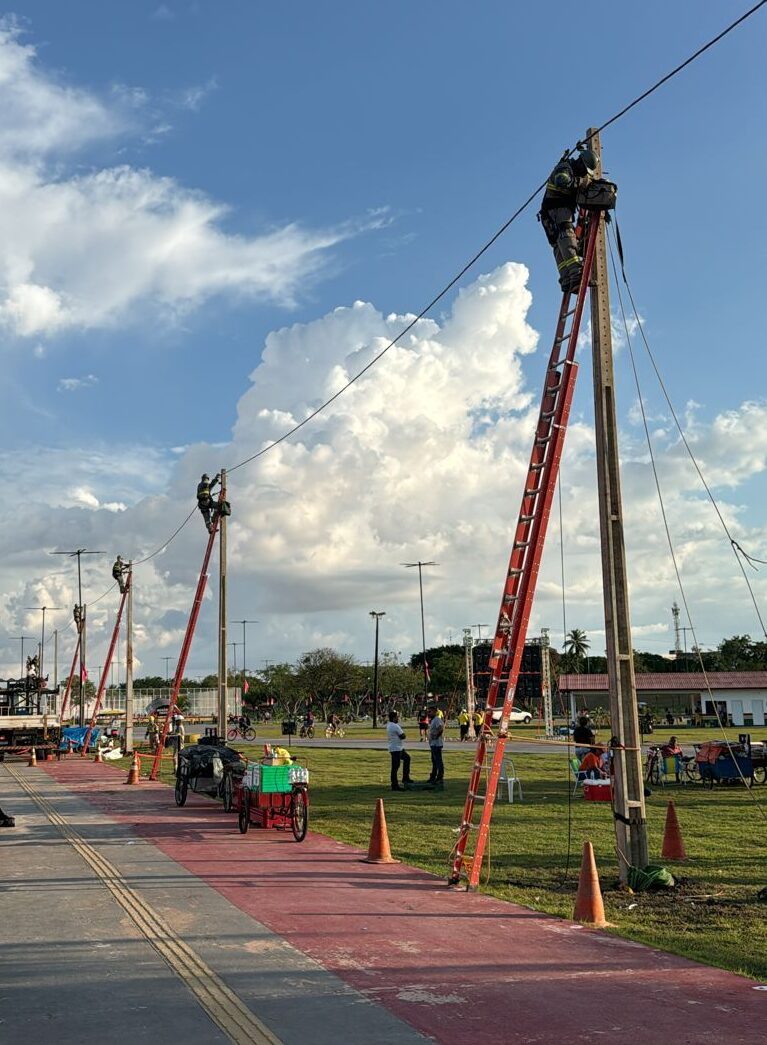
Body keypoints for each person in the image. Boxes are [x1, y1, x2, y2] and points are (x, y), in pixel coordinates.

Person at [539, 146, 598, 293]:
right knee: (567, 239)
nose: (585, 173)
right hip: (557, 212)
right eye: (584, 169)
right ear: (580, 162)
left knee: (559, 246)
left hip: (550, 215)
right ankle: (576, 275)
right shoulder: (565, 168)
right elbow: (562, 181)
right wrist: (582, 182)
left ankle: (567, 279)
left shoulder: (574, 170)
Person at [386, 710, 412, 791]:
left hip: (397, 747)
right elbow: (403, 736)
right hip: (396, 748)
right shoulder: (395, 726)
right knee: (395, 767)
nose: (398, 718)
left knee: (407, 758)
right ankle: (394, 785)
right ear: (394, 718)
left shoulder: (389, 725)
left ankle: (405, 777)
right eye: (397, 717)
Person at [427, 706, 445, 788]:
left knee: (438, 761)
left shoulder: (437, 719)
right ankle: (433, 777)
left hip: (437, 744)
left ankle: (440, 778)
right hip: (433, 744)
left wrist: (436, 736)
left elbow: (441, 728)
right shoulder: (433, 720)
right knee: (434, 761)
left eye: (430, 712)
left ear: (434, 712)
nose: (428, 713)